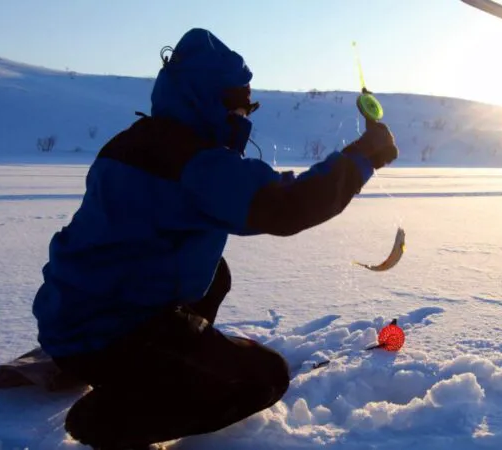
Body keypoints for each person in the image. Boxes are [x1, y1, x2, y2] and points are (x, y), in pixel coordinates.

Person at [31, 28, 398, 450]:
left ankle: (149, 359)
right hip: (102, 332)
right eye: (242, 105)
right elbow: (283, 206)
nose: (246, 114)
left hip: (75, 311)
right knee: (264, 378)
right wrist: (363, 158)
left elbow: (238, 193)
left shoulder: (143, 141)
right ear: (211, 101)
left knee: (213, 272)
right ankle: (108, 418)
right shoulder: (191, 161)